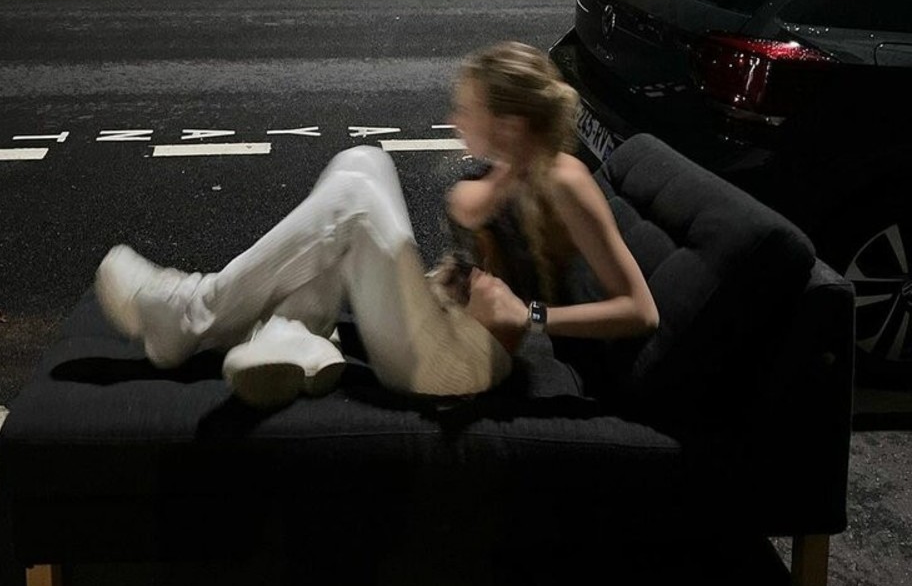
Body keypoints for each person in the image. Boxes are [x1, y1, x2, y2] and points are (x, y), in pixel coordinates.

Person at [94, 41, 659, 410]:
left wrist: (531, 316)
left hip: (457, 365)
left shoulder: (564, 181)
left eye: (467, 109)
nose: (454, 119)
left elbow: (641, 311)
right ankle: (297, 336)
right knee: (363, 161)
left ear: (509, 125)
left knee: (356, 201)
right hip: (438, 325)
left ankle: (193, 312)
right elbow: (476, 247)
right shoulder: (507, 168)